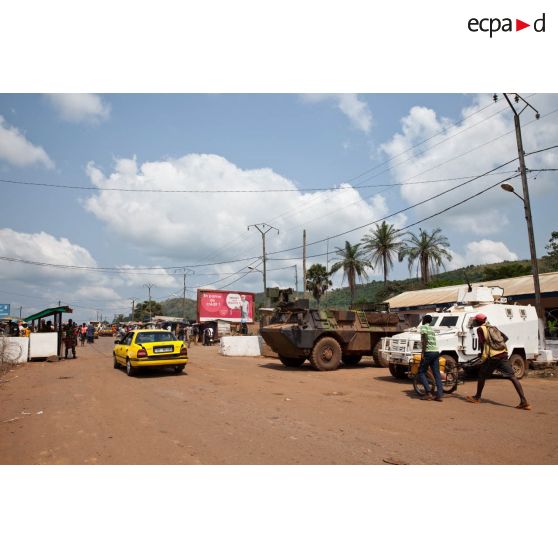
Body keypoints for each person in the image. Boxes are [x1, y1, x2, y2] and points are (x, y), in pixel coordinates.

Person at [466, 313, 531, 410]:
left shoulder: (480, 329)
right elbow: (505, 338)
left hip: (493, 357)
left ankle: (477, 397)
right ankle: (524, 401)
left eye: (476, 320)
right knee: (512, 377)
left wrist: (483, 354)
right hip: (503, 355)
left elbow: (482, 344)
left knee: (481, 375)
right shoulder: (493, 327)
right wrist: (497, 347)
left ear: (479, 321)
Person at [417, 314, 444, 402]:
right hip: (436, 352)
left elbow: (424, 340)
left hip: (429, 352)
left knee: (421, 372)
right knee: (437, 374)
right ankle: (439, 395)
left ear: (424, 320)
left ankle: (428, 393)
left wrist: (423, 352)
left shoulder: (424, 327)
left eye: (423, 319)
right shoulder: (432, 329)